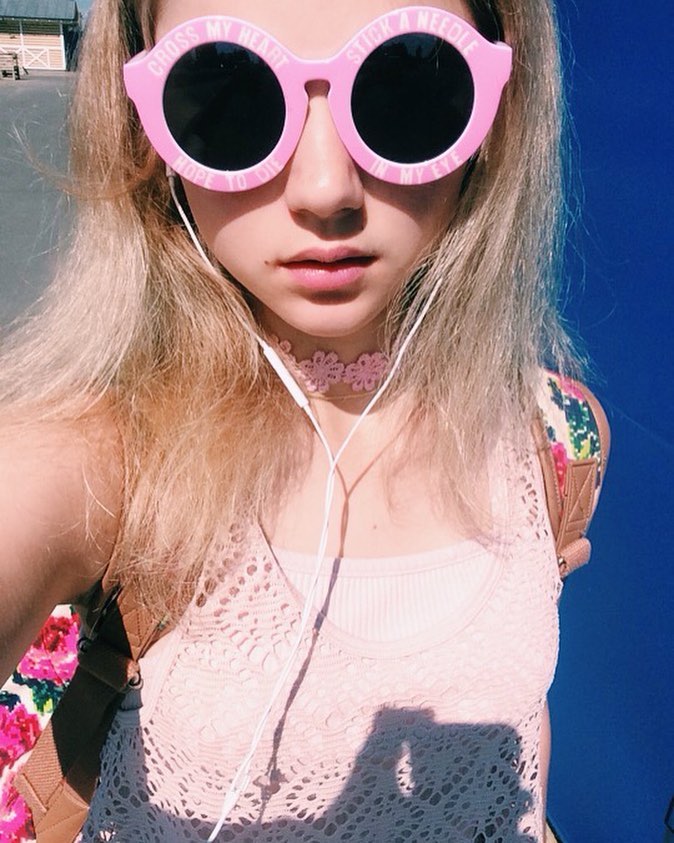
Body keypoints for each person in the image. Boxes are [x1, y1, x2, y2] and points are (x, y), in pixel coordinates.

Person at [0, 0, 607, 840]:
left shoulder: (551, 435)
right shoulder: (104, 453)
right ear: (141, 131)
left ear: (501, 114)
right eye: (229, 95)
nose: (326, 190)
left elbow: (516, 740)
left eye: (407, 87)